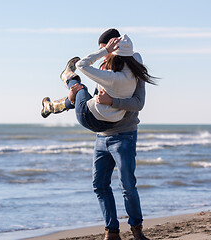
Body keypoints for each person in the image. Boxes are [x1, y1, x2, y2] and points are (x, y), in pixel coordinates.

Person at [41, 29, 155, 240]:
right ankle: (111, 232)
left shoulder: (134, 70)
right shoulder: (106, 68)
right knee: (100, 185)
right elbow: (96, 99)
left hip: (124, 135)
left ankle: (137, 230)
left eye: (105, 51)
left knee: (128, 185)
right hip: (102, 135)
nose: (104, 56)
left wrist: (112, 102)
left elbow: (138, 103)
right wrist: (78, 98)